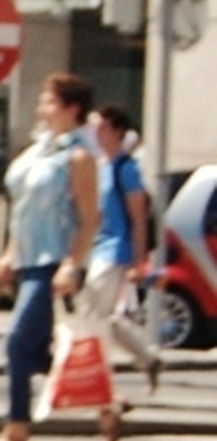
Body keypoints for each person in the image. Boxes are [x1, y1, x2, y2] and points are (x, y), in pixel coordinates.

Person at [0, 71, 102, 441]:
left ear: (72, 108)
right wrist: (9, 253)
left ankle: (16, 429)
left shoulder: (79, 157)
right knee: (37, 351)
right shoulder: (38, 150)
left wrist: (72, 264)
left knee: (17, 343)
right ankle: (103, 400)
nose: (42, 108)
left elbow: (90, 218)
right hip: (27, 260)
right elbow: (23, 208)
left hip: (53, 262)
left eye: (49, 101)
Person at [80, 102, 161, 398]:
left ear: (115, 131)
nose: (94, 132)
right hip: (96, 249)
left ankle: (100, 388)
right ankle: (147, 357)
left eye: (99, 126)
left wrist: (138, 262)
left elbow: (138, 217)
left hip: (115, 250)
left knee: (91, 316)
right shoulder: (99, 166)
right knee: (96, 317)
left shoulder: (126, 169)